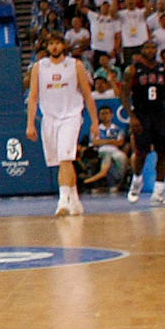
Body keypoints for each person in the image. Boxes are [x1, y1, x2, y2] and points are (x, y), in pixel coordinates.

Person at [26, 34, 98, 217]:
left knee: (65, 158)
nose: (55, 47)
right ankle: (75, 200)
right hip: (49, 118)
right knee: (62, 161)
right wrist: (30, 124)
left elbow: (88, 95)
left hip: (71, 116)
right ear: (47, 47)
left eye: (57, 43)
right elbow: (33, 97)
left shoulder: (76, 65)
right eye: (51, 44)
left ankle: (62, 201)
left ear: (63, 45)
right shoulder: (39, 67)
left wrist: (95, 122)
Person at [123, 41, 165, 206]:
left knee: (163, 153)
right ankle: (136, 182)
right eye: (147, 48)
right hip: (141, 113)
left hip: (160, 113)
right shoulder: (132, 70)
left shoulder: (163, 69)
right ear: (142, 50)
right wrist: (132, 116)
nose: (151, 50)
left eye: (153, 47)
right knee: (141, 153)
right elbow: (124, 95)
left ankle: (158, 192)